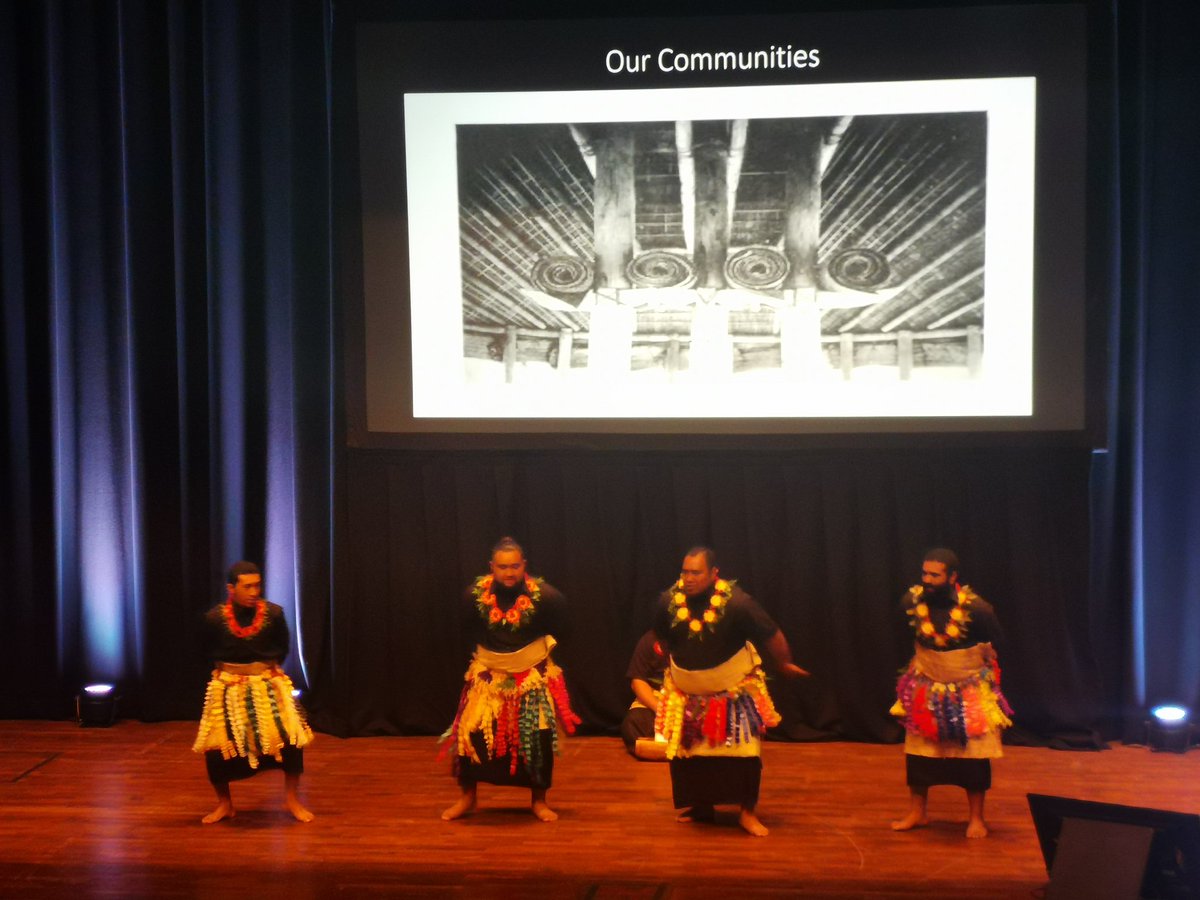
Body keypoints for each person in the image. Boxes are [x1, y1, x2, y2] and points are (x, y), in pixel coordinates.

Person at [652, 547, 808, 837]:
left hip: (732, 691)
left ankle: (747, 813)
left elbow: (770, 633)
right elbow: (660, 634)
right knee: (691, 755)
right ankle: (700, 808)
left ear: (714, 574)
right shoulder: (668, 602)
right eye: (684, 571)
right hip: (688, 692)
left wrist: (784, 662)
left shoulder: (738, 603)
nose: (687, 578)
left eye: (695, 572)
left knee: (744, 753)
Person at [441, 537, 581, 822]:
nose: (509, 573)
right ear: (491, 567)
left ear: (524, 566)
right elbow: (464, 630)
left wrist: (535, 660)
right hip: (488, 679)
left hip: (530, 679)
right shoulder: (473, 596)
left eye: (515, 566)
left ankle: (538, 801)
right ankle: (467, 797)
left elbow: (565, 630)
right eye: (503, 567)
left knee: (538, 738)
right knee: (472, 736)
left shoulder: (547, 597)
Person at [890, 548, 1013, 838]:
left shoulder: (978, 609)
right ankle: (917, 813)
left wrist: (978, 670)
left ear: (953, 576)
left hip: (967, 688)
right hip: (926, 685)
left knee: (973, 754)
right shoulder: (911, 602)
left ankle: (976, 819)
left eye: (935, 574)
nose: (927, 579)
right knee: (919, 752)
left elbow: (998, 642)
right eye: (925, 573)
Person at [192, 561, 314, 824]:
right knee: (217, 747)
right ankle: (225, 804)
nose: (254, 591)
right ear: (231, 588)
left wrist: (265, 673)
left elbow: (283, 647)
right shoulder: (214, 619)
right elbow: (203, 652)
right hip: (228, 686)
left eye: (257, 585)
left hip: (267, 684)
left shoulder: (273, 613)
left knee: (290, 741)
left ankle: (292, 799)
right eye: (247, 586)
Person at [620, 629, 668, 759]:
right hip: (657, 699)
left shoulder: (699, 637)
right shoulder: (651, 639)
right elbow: (637, 681)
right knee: (633, 724)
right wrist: (660, 708)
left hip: (690, 701)